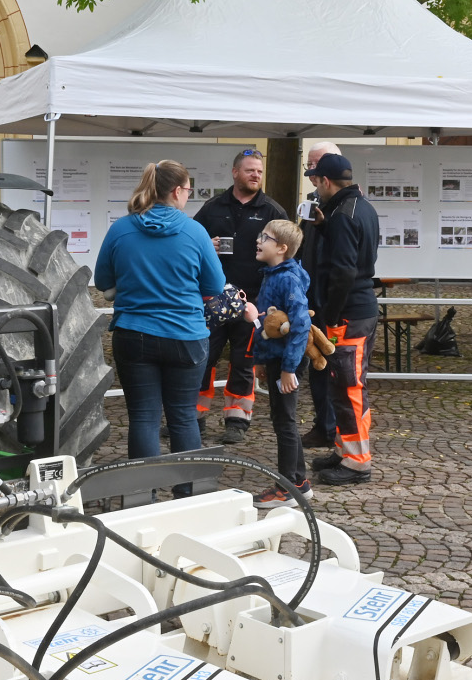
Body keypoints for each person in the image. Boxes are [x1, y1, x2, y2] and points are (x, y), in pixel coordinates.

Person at [94, 161, 226, 478]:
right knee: (182, 417)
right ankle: (188, 495)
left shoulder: (120, 229)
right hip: (186, 336)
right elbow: (215, 287)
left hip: (133, 334)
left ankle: (143, 496)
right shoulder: (196, 232)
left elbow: (102, 281)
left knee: (143, 417)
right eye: (188, 190)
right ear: (177, 191)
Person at [192, 149, 286, 444]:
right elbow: (191, 243)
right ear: (235, 173)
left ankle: (237, 419)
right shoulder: (212, 207)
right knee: (202, 358)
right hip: (214, 299)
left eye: (259, 171)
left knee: (243, 362)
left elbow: (287, 253)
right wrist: (206, 243)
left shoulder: (272, 211)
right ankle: (193, 417)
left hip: (253, 301)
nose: (256, 175)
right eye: (249, 170)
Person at [303, 152, 381, 485]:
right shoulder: (360, 207)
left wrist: (330, 316)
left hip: (349, 315)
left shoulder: (343, 217)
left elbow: (344, 272)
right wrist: (323, 227)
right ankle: (344, 449)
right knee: (342, 385)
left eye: (315, 181)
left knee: (349, 389)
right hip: (358, 310)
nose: (314, 188)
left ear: (325, 181)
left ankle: (357, 462)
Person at [242, 219, 312, 503]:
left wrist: (287, 369)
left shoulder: (287, 278)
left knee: (285, 422)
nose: (259, 240)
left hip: (287, 363)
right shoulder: (274, 274)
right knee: (283, 419)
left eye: (266, 237)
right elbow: (273, 324)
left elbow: (299, 325)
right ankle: (300, 481)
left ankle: (288, 488)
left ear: (282, 248)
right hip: (277, 359)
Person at [296, 140, 343, 448]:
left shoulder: (346, 206)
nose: (311, 172)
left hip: (335, 305)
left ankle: (337, 428)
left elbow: (347, 263)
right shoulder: (312, 202)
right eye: (309, 167)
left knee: (337, 365)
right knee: (317, 365)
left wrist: (335, 307)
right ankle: (323, 425)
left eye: (316, 166)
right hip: (312, 300)